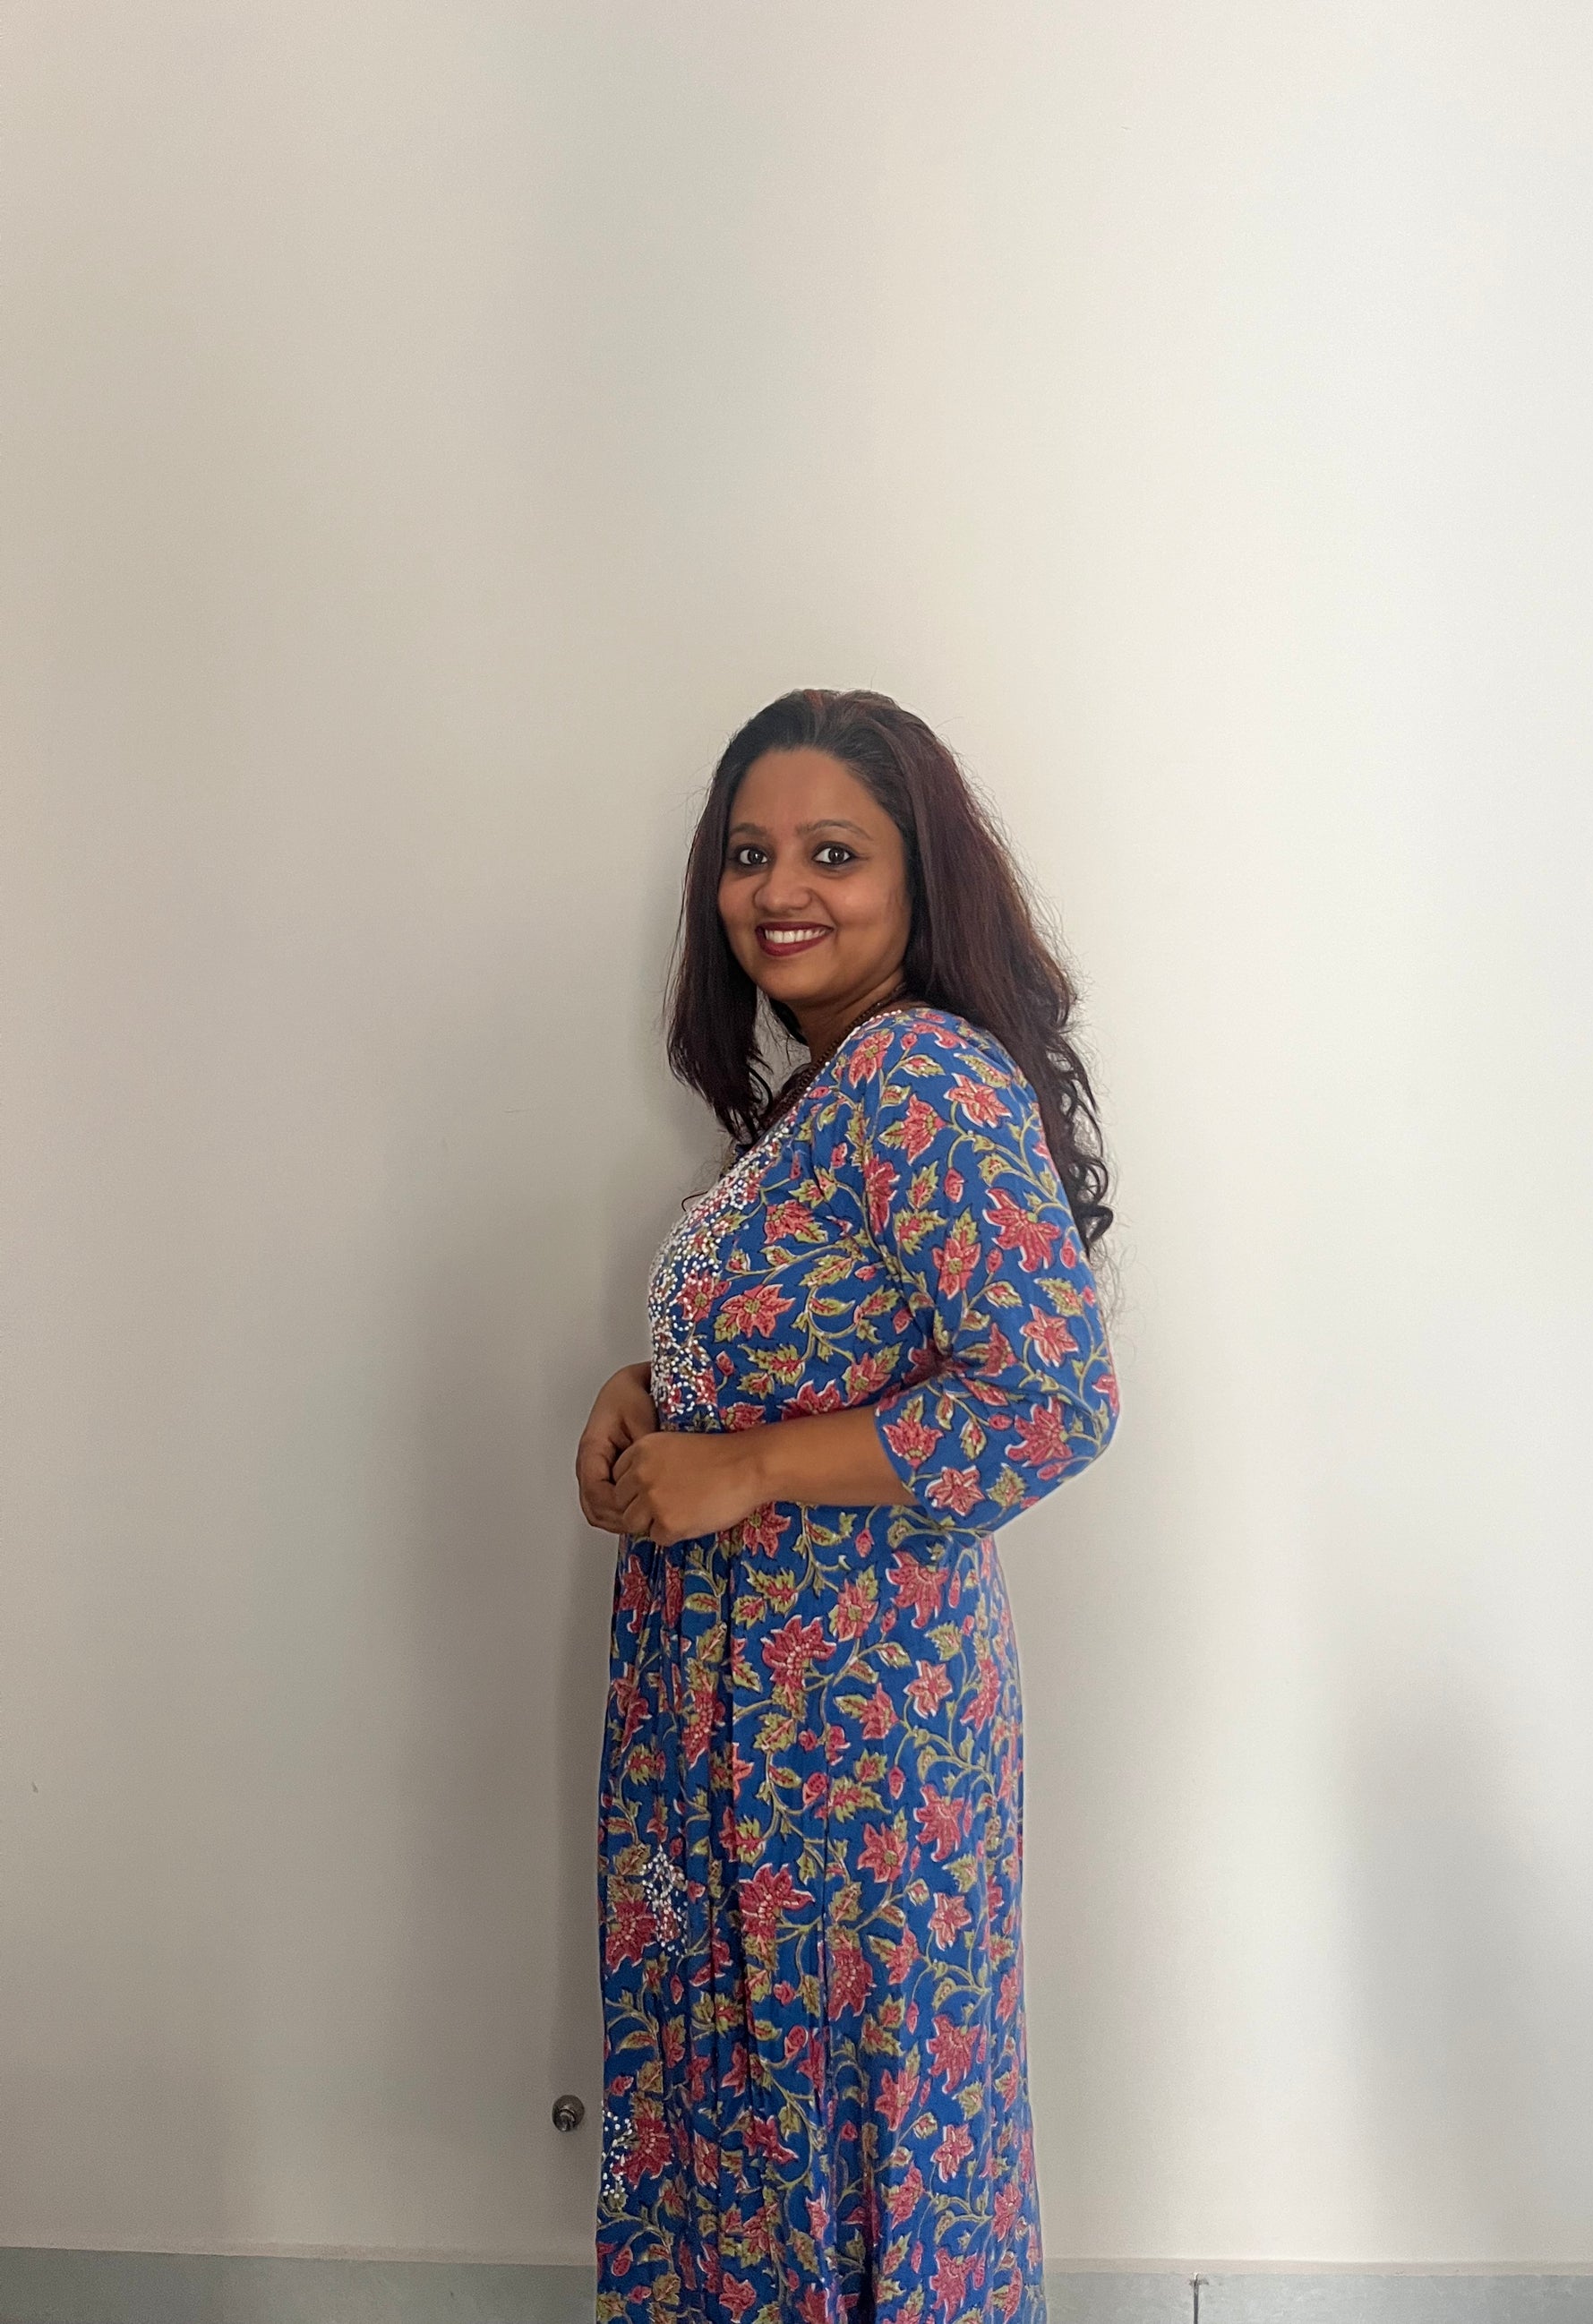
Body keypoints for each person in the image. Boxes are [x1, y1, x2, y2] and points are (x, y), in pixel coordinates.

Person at [577, 688, 1119, 2324]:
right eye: (749, 855)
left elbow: (1049, 1394)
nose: (780, 890)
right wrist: (657, 1390)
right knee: (769, 2132)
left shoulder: (920, 1077)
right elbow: (834, 1342)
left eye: (833, 852)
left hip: (848, 1739)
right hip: (748, 1720)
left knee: (852, 2132)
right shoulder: (824, 1097)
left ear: (914, 876)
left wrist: (744, 1465)